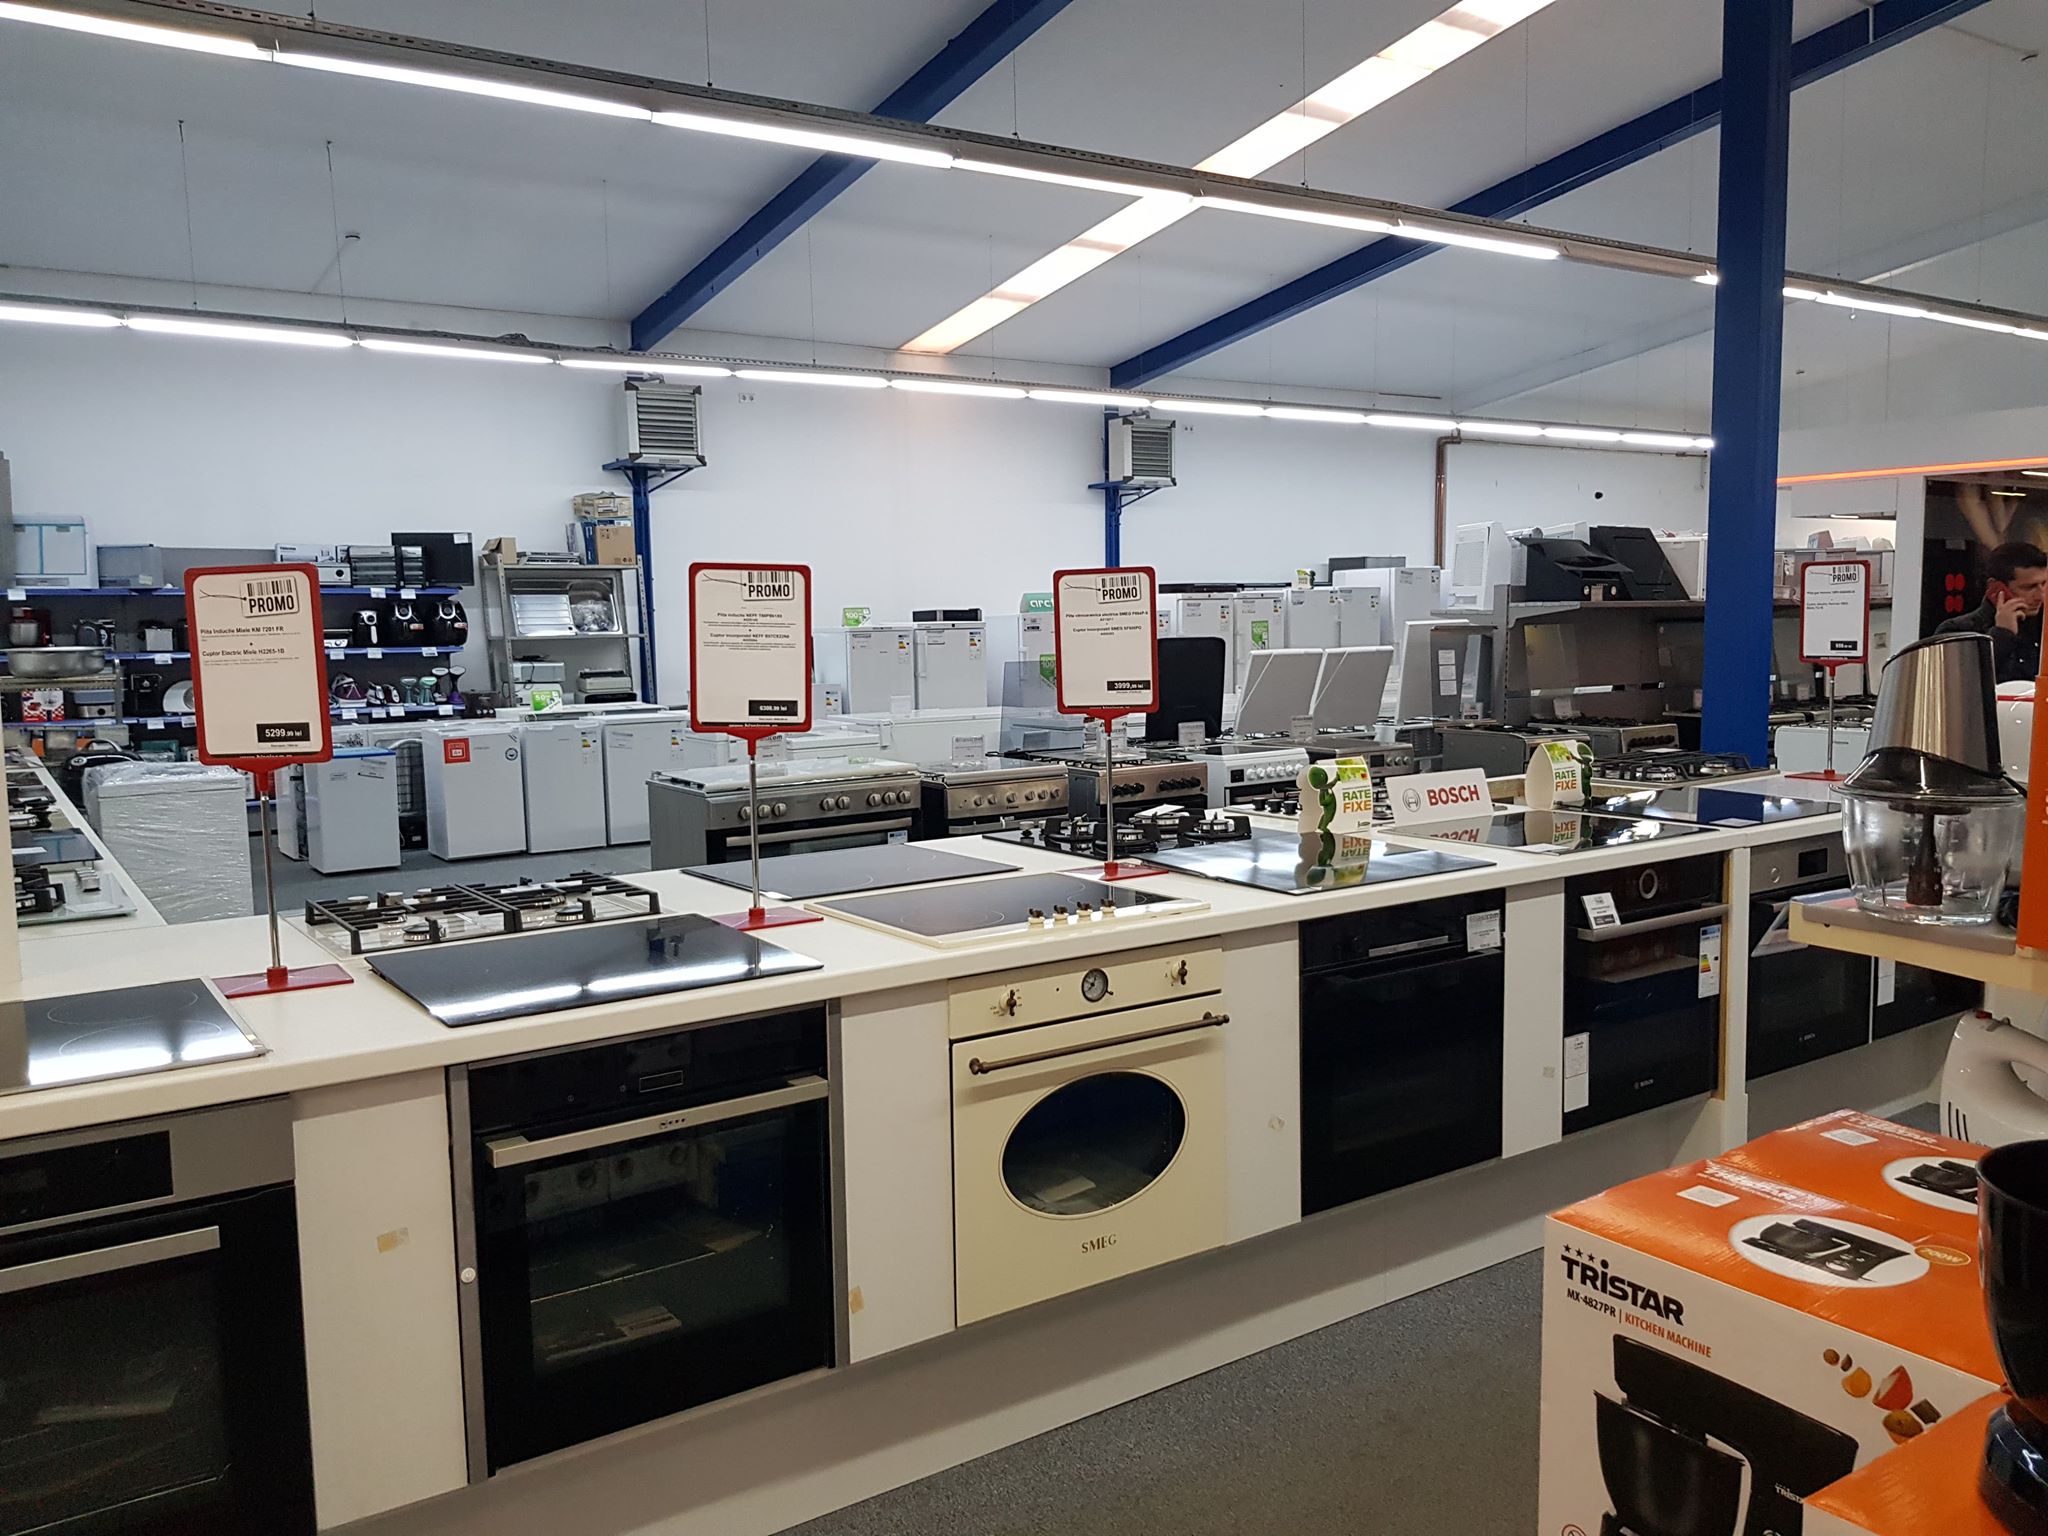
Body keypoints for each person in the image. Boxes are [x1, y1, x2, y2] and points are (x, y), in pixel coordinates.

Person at [1936, 540, 2048, 682]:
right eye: (2029, 587)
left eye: (2044, 584)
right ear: (1997, 588)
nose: (2040, 596)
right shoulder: (1956, 631)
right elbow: (1955, 682)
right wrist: (2002, 634)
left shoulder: (2043, 630)